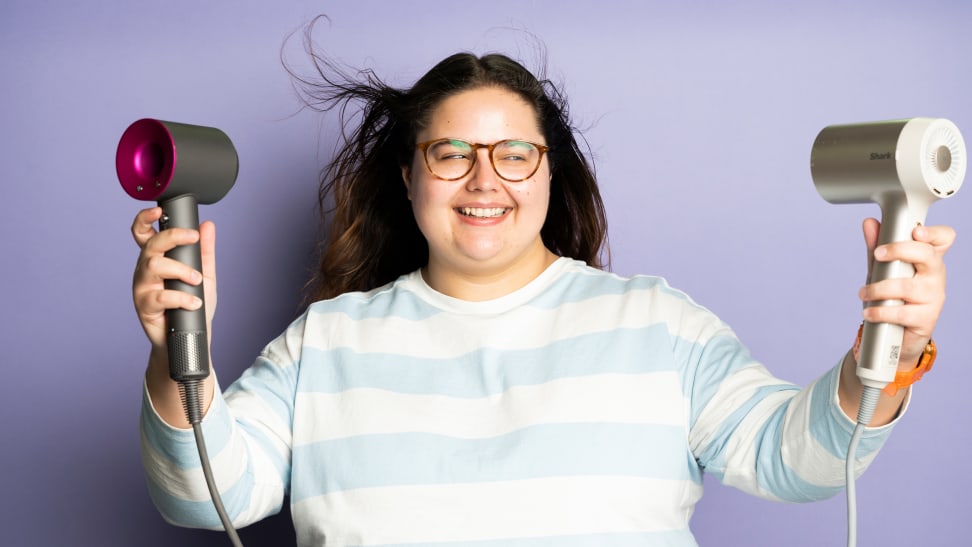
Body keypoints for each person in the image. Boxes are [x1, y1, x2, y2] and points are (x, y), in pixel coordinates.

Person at [131, 47, 955, 546]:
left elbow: (797, 456)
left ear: (549, 173)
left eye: (515, 153)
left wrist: (886, 351)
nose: (484, 177)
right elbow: (204, 494)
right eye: (452, 152)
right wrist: (174, 357)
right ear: (410, 177)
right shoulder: (326, 342)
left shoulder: (656, 322)